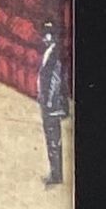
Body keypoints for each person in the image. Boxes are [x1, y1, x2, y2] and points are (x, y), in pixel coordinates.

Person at [37, 22, 70, 186]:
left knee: (53, 139)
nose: (44, 37)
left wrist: (49, 101)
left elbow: (55, 81)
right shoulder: (49, 52)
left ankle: (56, 175)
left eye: (47, 34)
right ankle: (54, 172)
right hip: (48, 103)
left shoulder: (55, 54)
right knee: (51, 137)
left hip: (52, 105)